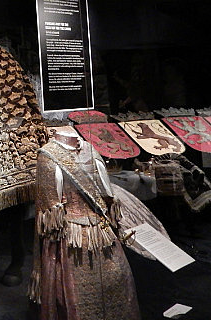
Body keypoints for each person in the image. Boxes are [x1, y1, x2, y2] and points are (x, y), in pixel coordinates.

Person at [29, 128, 141, 320]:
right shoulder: (48, 155)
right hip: (72, 234)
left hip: (97, 231)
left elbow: (106, 195)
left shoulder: (89, 149)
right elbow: (51, 210)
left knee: (115, 278)